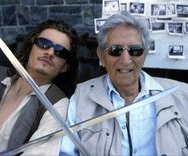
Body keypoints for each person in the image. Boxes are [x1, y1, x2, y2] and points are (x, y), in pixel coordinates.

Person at [60, 11, 188, 156]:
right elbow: (66, 152)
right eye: (115, 50)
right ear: (101, 55)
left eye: (135, 50)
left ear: (145, 54)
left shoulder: (181, 95)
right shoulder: (80, 99)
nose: (126, 60)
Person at [0, 19, 79, 156]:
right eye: (44, 44)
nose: (50, 52)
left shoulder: (57, 104)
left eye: (60, 52)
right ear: (31, 46)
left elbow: (39, 153)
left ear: (65, 67)